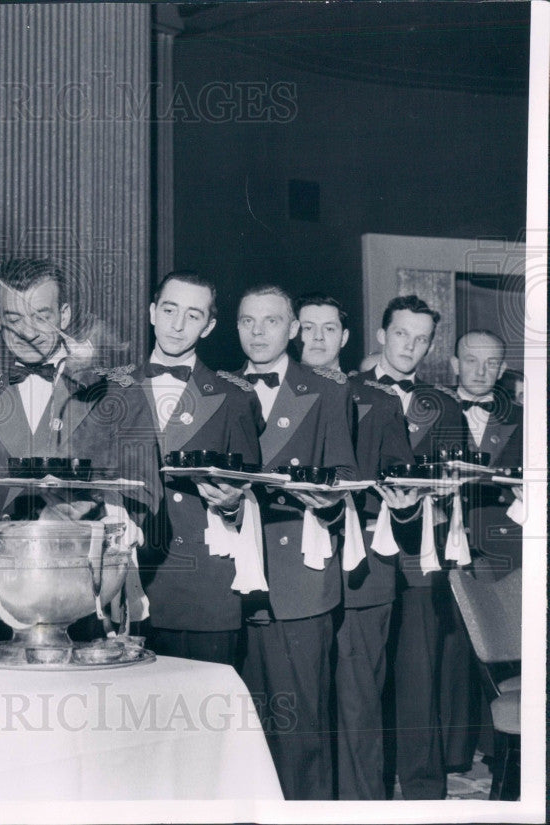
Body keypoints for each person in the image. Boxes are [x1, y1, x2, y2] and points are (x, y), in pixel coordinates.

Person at [0, 258, 158, 639]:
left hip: (85, 601)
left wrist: (103, 510)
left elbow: (145, 488)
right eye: (14, 319)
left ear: (65, 315)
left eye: (42, 316)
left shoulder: (118, 395)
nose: (29, 332)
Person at [233, 285, 357, 800]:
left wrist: (323, 499)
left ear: (293, 329)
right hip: (227, 585)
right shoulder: (215, 388)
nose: (258, 332)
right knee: (239, 730)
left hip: (297, 583)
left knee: (301, 729)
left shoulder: (326, 391)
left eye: (271, 321)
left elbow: (346, 472)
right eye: (247, 321)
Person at [297, 293, 420, 799]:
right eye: (307, 328)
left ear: (346, 339)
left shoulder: (380, 401)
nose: (318, 338)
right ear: (291, 333)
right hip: (288, 574)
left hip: (363, 571)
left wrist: (406, 505)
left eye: (330, 328)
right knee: (298, 709)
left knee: (359, 703)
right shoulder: (263, 397)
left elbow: (405, 490)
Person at [366, 294, 468, 798]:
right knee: (363, 676)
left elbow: (463, 471)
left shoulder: (443, 404)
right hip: (362, 553)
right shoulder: (346, 393)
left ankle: (425, 789)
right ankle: (370, 783)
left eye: (422, 338)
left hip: (420, 553)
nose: (410, 345)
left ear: (431, 346)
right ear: (381, 334)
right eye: (401, 334)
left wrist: (451, 489)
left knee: (419, 671)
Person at [132, 271, 262, 666]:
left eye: (193, 315)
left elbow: (249, 488)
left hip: (204, 589)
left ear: (209, 326)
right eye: (169, 310)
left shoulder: (234, 397)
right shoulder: (110, 389)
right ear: (153, 312)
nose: (177, 325)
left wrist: (233, 504)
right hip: (127, 582)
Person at [451, 330, 523, 579]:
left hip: (502, 548)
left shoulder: (524, 417)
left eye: (491, 363)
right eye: (471, 360)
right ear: (455, 364)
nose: (481, 372)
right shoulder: (429, 408)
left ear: (502, 369)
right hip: (441, 546)